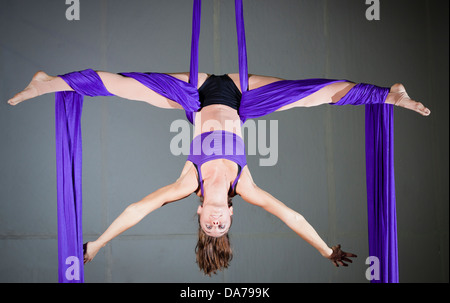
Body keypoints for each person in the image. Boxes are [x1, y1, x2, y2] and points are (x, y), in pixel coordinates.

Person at [7, 70, 430, 275]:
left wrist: (97, 244)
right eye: (221, 225)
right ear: (231, 216)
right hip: (245, 94)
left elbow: (138, 209)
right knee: (305, 98)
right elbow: (292, 216)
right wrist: (324, 250)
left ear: (196, 216)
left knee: (132, 90)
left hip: (194, 92)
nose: (214, 221)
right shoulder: (242, 185)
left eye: (208, 227)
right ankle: (387, 95)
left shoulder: (187, 182)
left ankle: (51, 82)